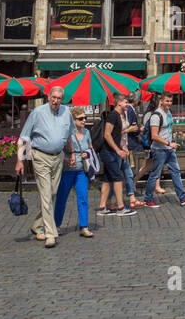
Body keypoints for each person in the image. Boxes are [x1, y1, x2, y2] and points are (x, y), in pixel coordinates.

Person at [17, 85, 74, 248]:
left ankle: (36, 225)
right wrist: (21, 161)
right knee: (46, 194)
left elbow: (69, 134)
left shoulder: (66, 112)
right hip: (40, 156)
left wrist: (72, 154)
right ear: (48, 97)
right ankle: (50, 233)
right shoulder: (37, 113)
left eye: (59, 98)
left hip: (58, 157)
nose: (56, 101)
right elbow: (25, 137)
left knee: (53, 193)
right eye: (53, 98)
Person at [142, 93, 185, 208]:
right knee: (154, 174)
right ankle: (148, 199)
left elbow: (168, 129)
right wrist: (169, 143)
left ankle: (183, 197)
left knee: (176, 172)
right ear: (161, 101)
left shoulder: (168, 113)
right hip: (159, 150)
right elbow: (154, 136)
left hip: (169, 149)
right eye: (167, 101)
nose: (169, 103)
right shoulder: (156, 116)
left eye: (170, 101)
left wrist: (173, 141)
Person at [54, 107, 96, 238]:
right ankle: (56, 225)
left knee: (83, 197)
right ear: (73, 120)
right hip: (68, 170)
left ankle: (84, 226)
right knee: (62, 198)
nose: (84, 120)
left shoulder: (87, 132)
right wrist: (66, 159)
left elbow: (91, 148)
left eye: (85, 118)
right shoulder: (67, 134)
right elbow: (59, 150)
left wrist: (87, 154)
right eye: (80, 118)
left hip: (82, 170)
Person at [94, 101, 135, 216]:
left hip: (113, 151)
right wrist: (118, 150)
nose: (128, 104)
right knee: (118, 177)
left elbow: (116, 136)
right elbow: (107, 134)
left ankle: (102, 207)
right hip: (108, 152)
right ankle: (121, 207)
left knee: (107, 179)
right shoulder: (113, 116)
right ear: (118, 103)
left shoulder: (117, 116)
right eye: (126, 102)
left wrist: (123, 147)